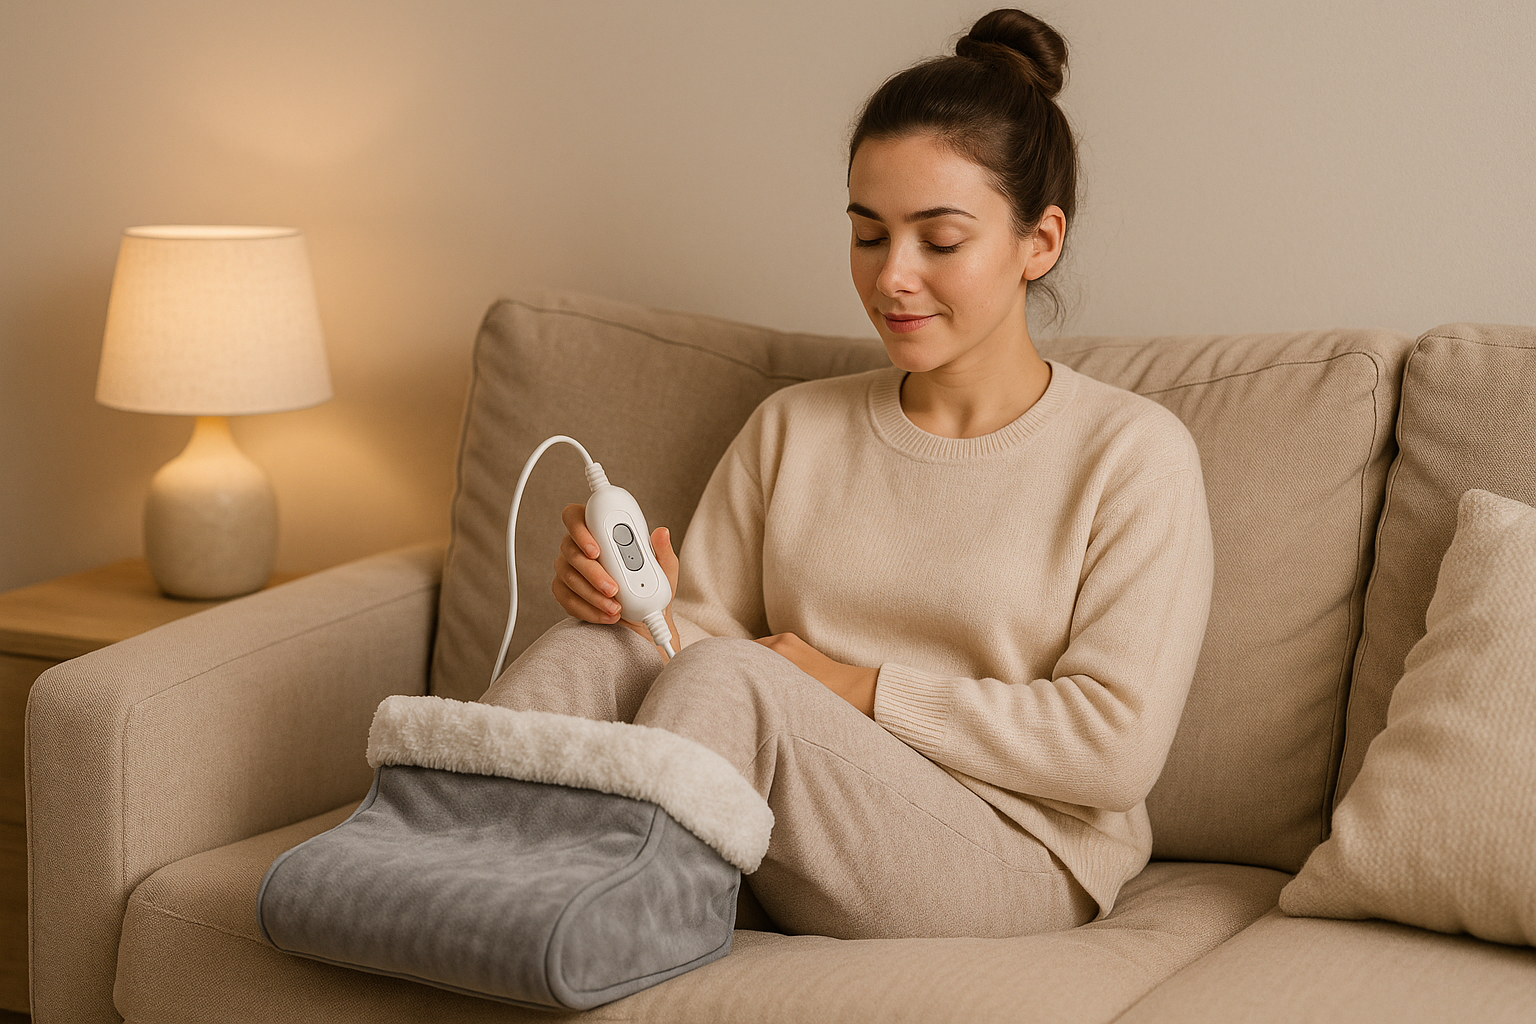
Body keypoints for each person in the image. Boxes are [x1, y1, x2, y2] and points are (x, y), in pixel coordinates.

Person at [481, 7, 1213, 941]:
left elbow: (1112, 750)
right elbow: (692, 648)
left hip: (1014, 850)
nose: (892, 278)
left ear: (1041, 241)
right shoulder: (793, 427)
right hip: (789, 825)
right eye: (869, 236)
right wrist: (633, 606)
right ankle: (433, 868)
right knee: (598, 653)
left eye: (939, 242)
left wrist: (855, 685)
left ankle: (573, 921)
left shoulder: (1132, 455)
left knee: (735, 684)